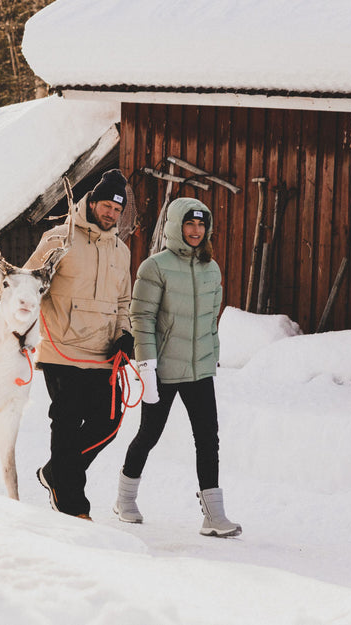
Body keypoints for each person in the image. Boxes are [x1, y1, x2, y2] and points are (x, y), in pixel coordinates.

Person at [113, 197, 241, 537]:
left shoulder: (211, 268)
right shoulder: (154, 267)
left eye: (201, 224)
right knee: (149, 434)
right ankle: (125, 499)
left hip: (199, 370)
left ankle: (213, 515)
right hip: (163, 368)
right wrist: (146, 366)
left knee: (208, 438)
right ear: (175, 226)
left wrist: (212, 354)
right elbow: (141, 317)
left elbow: (212, 320)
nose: (196, 230)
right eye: (189, 223)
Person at [24, 168, 135, 519]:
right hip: (62, 349)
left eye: (117, 210)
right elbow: (28, 285)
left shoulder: (121, 251)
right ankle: (72, 505)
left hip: (102, 354)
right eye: (106, 206)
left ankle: (56, 471)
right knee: (68, 423)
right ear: (93, 202)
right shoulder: (59, 238)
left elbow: (123, 303)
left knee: (110, 423)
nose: (111, 214)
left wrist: (125, 336)